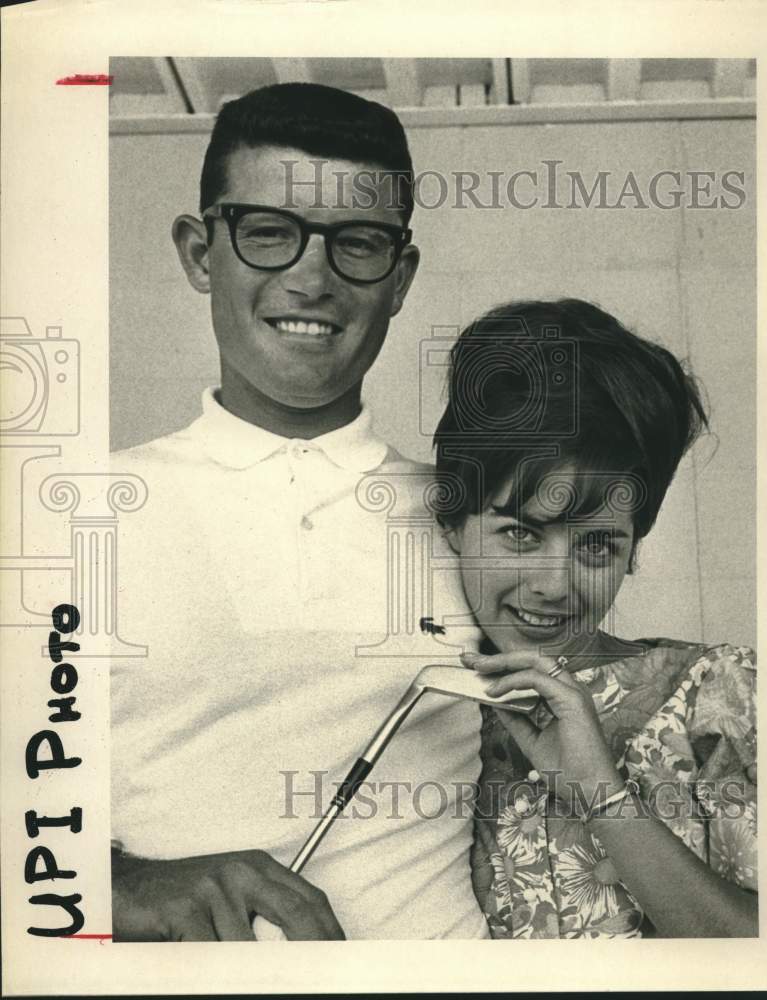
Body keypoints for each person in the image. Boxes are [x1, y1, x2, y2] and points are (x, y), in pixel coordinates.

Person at [110, 83, 489, 941]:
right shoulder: (73, 511)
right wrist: (116, 882)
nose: (312, 279)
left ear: (400, 278)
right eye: (269, 233)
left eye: (357, 243)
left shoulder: (474, 515)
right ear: (202, 253)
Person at [433, 298, 758, 938]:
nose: (556, 586)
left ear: (633, 549)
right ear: (451, 520)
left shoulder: (714, 695)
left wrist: (601, 794)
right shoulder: (438, 713)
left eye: (597, 546)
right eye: (521, 534)